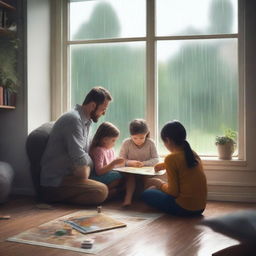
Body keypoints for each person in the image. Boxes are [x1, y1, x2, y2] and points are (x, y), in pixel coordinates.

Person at [40, 86, 112, 205]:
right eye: (103, 109)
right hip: (57, 181)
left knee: (114, 182)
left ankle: (89, 193)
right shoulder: (73, 120)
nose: (104, 113)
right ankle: (55, 198)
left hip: (73, 176)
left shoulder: (87, 121)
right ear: (93, 105)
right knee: (102, 190)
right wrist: (92, 166)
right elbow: (79, 158)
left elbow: (85, 156)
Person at [141, 121, 207, 216]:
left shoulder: (171, 159)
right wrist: (164, 165)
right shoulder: (192, 154)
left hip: (184, 208)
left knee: (146, 194)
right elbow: (182, 164)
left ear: (168, 140)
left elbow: (173, 192)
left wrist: (159, 183)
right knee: (156, 190)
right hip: (200, 208)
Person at [119, 119, 159, 206]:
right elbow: (121, 160)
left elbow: (156, 159)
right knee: (130, 178)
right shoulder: (126, 143)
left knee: (147, 179)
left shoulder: (150, 143)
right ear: (131, 136)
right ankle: (128, 198)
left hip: (146, 171)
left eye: (142, 138)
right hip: (131, 172)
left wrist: (144, 163)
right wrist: (130, 163)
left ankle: (147, 197)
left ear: (146, 134)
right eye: (135, 138)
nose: (138, 141)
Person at [89, 122, 125, 198]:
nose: (114, 143)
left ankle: (107, 192)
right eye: (113, 140)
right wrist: (114, 163)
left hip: (107, 174)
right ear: (105, 139)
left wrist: (124, 164)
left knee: (123, 175)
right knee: (118, 176)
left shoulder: (110, 149)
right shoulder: (99, 150)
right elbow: (99, 171)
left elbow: (114, 164)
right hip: (97, 176)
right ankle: (104, 192)